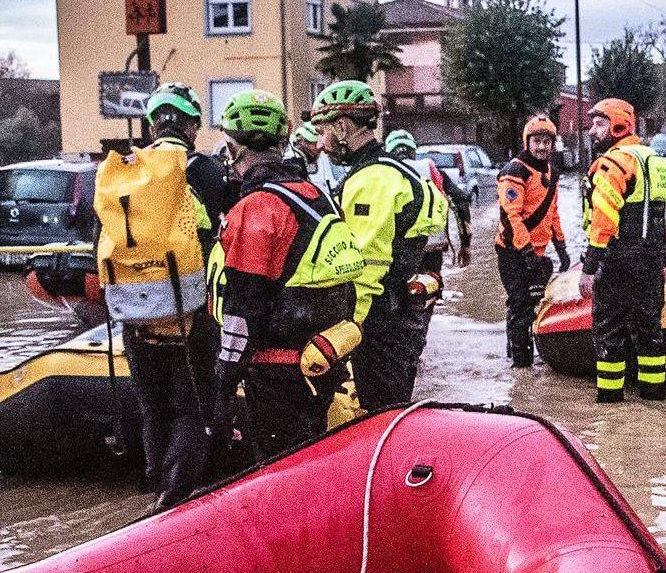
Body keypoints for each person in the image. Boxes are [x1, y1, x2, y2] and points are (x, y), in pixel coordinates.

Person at [208, 90, 380, 458]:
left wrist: (223, 385)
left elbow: (243, 309)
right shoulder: (314, 194)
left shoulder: (255, 209)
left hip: (277, 373)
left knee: (275, 472)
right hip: (321, 359)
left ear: (236, 150)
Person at [122, 83, 234, 509]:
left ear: (152, 124)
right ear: (191, 125)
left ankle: (155, 489)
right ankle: (178, 497)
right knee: (192, 408)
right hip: (194, 310)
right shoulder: (206, 171)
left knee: (154, 410)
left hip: (137, 312)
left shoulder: (128, 169)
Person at [310, 81, 448, 410]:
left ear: (342, 127)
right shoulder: (397, 171)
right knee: (392, 409)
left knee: (375, 415)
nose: (319, 143)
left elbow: (363, 267)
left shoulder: (370, 181)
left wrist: (348, 331)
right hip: (401, 316)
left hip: (377, 323)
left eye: (323, 131)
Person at [579, 98, 666, 403]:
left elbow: (603, 220)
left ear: (619, 125)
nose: (592, 131)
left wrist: (589, 269)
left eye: (599, 124)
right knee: (650, 333)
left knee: (608, 335)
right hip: (650, 263)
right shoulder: (658, 162)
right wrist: (662, 259)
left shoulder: (613, 164)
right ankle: (654, 399)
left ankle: (610, 408)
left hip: (617, 261)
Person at [495, 115, 570, 367]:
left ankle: (518, 353)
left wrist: (561, 247)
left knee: (535, 304)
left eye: (547, 142)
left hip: (537, 253)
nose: (542, 147)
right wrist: (526, 252)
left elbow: (553, 213)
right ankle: (520, 366)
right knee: (519, 304)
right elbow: (510, 215)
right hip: (512, 252)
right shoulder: (514, 171)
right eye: (537, 141)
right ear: (527, 142)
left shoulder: (552, 172)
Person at [386, 129, 474, 282]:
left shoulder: (381, 172)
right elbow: (460, 203)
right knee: (429, 294)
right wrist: (465, 244)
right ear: (413, 151)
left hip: (394, 253)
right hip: (431, 249)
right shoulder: (431, 170)